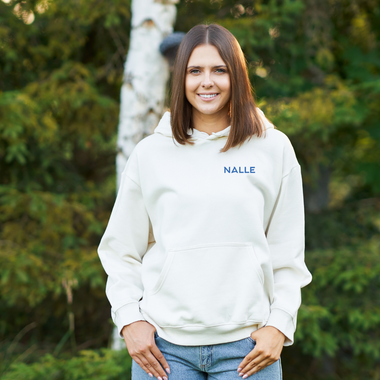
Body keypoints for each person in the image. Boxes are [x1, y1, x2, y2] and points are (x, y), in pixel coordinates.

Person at [97, 23, 312, 380]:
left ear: (237, 76)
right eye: (195, 71)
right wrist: (129, 319)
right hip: (164, 351)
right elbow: (121, 251)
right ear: (180, 77)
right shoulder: (150, 154)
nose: (206, 82)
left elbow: (287, 255)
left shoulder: (273, 148)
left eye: (219, 70)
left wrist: (280, 324)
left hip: (248, 351)